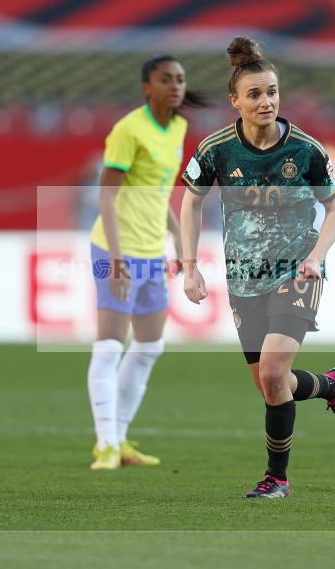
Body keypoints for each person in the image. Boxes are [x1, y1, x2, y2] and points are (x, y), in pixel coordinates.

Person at [179, 37, 335, 498]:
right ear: (235, 101)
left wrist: (316, 256)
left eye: (273, 92)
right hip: (244, 278)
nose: (266, 101)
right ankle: (330, 387)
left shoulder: (304, 150)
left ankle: (276, 479)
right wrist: (190, 267)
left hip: (296, 271)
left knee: (272, 374)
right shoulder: (217, 149)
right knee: (271, 385)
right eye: (256, 94)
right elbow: (190, 203)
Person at [87, 55, 207, 470]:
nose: (175, 85)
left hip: (153, 251)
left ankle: (119, 440)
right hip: (114, 250)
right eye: (165, 79)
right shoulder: (128, 130)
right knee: (108, 347)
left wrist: (176, 235)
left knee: (150, 347)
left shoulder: (178, 127)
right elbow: (107, 196)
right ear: (146, 87)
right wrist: (117, 256)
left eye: (180, 79)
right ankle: (104, 443)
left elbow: (156, 192)